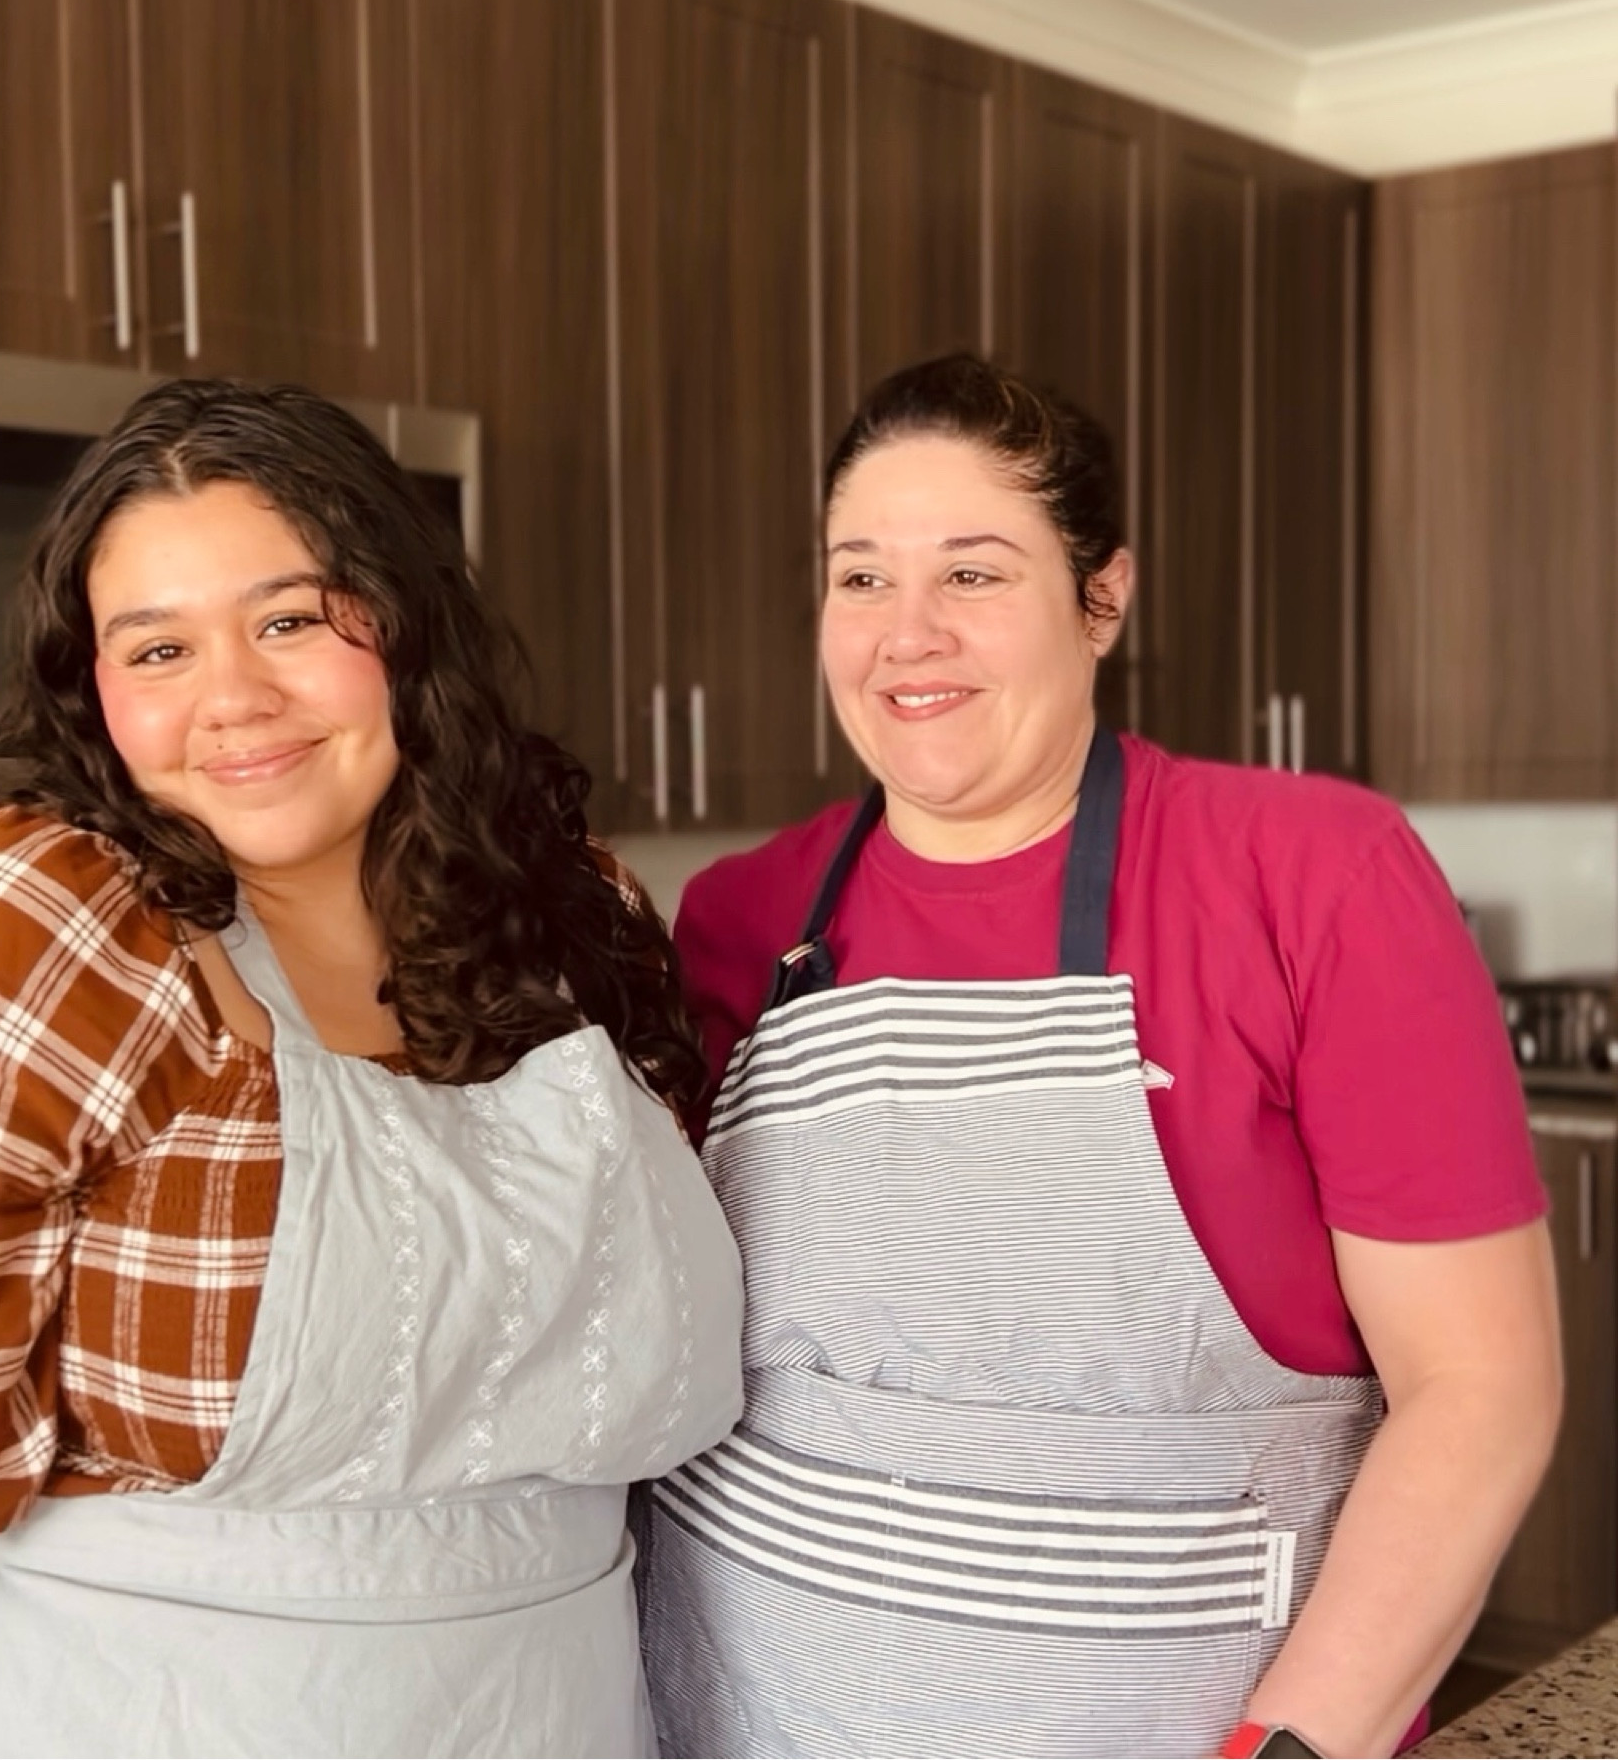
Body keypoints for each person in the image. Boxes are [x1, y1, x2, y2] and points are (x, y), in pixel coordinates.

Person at [0, 378, 744, 1758]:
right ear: (96, 688)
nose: (235, 701)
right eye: (158, 651)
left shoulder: (573, 915)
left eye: (291, 619)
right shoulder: (44, 932)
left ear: (405, 619)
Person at [637, 353, 1560, 1759]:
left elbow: (1481, 1389)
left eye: (977, 573)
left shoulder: (1313, 878)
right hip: (744, 1720)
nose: (908, 633)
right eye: (862, 576)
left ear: (1102, 594)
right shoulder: (740, 920)